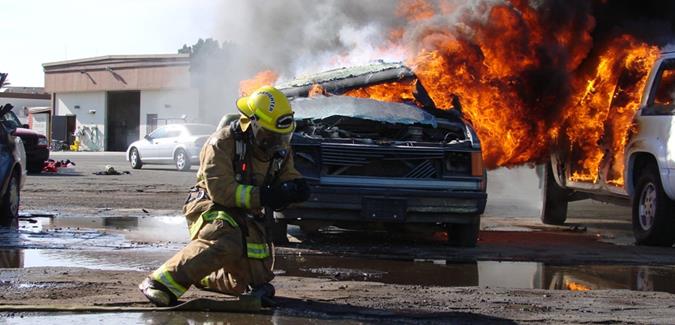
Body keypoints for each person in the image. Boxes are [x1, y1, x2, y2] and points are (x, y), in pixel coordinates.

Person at [139, 86, 310, 306]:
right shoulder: (221, 143)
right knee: (227, 240)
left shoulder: (279, 148)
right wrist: (266, 196)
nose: (277, 142)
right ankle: (161, 283)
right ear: (253, 124)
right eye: (270, 135)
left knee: (253, 281)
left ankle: (203, 276)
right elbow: (222, 190)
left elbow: (286, 173)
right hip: (209, 206)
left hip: (246, 211)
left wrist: (295, 185)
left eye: (281, 136)